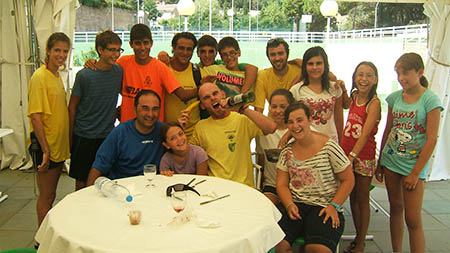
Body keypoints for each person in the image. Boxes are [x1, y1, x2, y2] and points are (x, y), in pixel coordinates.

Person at [375, 53, 442, 253]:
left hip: (414, 165)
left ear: (419, 73)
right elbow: (388, 130)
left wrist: (415, 173)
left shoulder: (430, 100)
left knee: (413, 219)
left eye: (406, 73)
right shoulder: (395, 98)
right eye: (398, 73)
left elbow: (431, 139)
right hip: (391, 161)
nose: (401, 78)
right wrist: (380, 162)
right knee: (395, 209)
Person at [275, 102, 354, 253]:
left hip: (324, 206)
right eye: (290, 122)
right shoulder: (287, 151)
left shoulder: (329, 146)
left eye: (300, 120)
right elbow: (282, 184)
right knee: (278, 246)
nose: (295, 126)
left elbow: (348, 179)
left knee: (316, 249)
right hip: (297, 205)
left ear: (309, 120)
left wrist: (334, 206)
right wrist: (289, 205)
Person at [86, 24, 197, 122]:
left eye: (146, 43)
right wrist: (93, 62)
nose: (142, 48)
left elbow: (183, 95)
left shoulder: (160, 68)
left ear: (151, 43)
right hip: (128, 130)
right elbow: (106, 70)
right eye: (138, 43)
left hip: (152, 131)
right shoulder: (122, 62)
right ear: (131, 44)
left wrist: (205, 88)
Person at [179, 82, 277, 187]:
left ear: (223, 95)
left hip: (243, 188)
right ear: (202, 105)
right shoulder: (200, 127)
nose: (213, 98)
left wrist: (243, 109)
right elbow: (186, 158)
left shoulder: (242, 119)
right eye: (207, 97)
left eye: (215, 93)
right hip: (215, 188)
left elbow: (271, 127)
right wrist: (180, 130)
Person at [68, 30, 123, 191]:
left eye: (119, 50)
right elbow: (72, 107)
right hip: (84, 136)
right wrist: (70, 137)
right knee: (82, 182)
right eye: (112, 50)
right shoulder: (84, 75)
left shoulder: (119, 71)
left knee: (105, 180)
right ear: (100, 50)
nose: (116, 54)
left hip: (106, 135)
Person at [27, 32, 71, 229]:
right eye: (57, 50)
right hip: (47, 147)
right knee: (46, 195)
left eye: (65, 51)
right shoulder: (40, 77)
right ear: (48, 50)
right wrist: (45, 150)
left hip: (58, 146)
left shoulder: (56, 75)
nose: (61, 55)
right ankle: (41, 241)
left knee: (51, 194)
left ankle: (44, 236)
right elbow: (35, 116)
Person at [340, 62, 381, 253]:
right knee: (352, 198)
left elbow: (365, 135)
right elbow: (346, 105)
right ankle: (358, 235)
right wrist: (340, 87)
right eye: (360, 75)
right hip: (348, 154)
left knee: (363, 198)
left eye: (369, 75)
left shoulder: (374, 103)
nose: (364, 79)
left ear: (375, 80)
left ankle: (361, 241)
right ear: (355, 77)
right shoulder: (355, 96)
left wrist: (353, 156)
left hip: (362, 157)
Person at [86, 90, 165, 185]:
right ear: (135, 109)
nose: (150, 114)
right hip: (122, 189)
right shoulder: (119, 133)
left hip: (152, 187)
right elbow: (98, 167)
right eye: (145, 108)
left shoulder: (163, 131)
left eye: (155, 109)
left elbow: (181, 153)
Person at [289, 46, 344, 143]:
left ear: (325, 65)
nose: (314, 67)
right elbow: (292, 123)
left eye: (318, 63)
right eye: (310, 64)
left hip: (331, 142)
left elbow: (339, 119)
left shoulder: (334, 88)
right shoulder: (296, 90)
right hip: (306, 143)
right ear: (305, 66)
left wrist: (340, 144)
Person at [256, 89, 295, 205]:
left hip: (296, 187)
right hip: (271, 185)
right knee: (265, 208)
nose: (278, 111)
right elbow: (261, 163)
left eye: (283, 107)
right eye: (274, 107)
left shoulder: (297, 131)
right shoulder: (262, 132)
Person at [163, 32, 201, 138]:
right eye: (181, 48)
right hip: (168, 134)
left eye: (189, 49)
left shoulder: (198, 72)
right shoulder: (163, 68)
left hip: (193, 135)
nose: (185, 52)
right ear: (173, 48)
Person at [253, 38, 302, 113]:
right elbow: (258, 111)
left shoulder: (299, 71)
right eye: (272, 55)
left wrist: (304, 64)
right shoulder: (263, 75)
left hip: (295, 121)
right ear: (268, 57)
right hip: (273, 122)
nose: (277, 58)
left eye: (280, 53)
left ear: (287, 54)